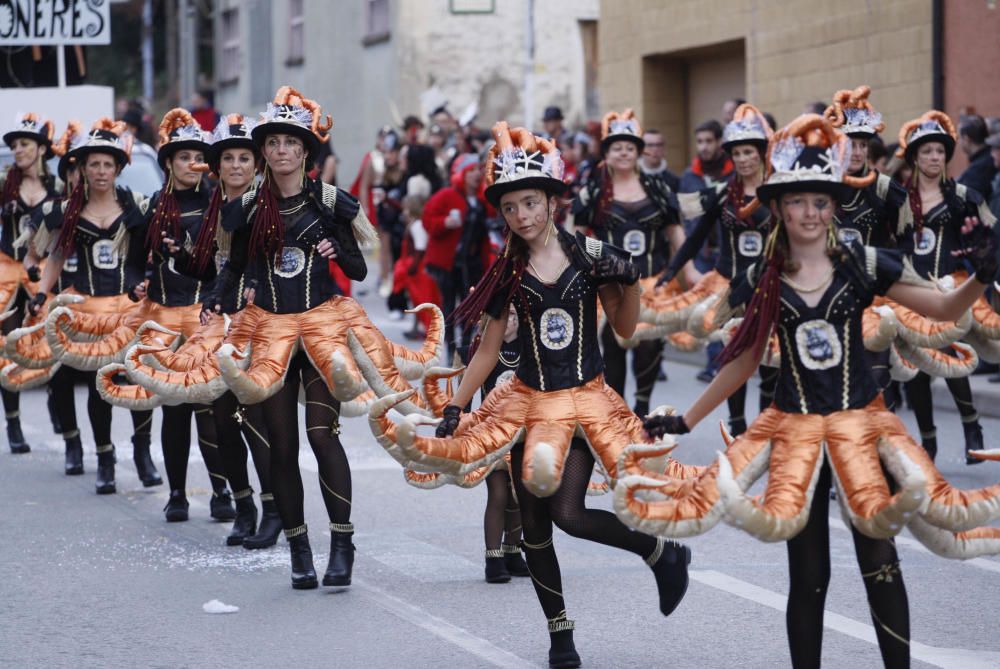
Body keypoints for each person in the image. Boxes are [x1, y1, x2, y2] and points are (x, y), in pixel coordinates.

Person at [633, 113, 1000, 669]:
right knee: (808, 577)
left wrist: (980, 274)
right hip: (795, 432)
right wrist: (686, 421)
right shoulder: (765, 276)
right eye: (799, 202)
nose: (810, 213)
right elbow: (745, 359)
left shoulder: (865, 264)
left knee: (881, 562)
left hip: (862, 428)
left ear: (833, 205)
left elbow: (944, 308)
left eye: (821, 202)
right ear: (779, 206)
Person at [369, 122, 691, 669]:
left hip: (586, 400)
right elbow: (490, 349)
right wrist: (455, 405)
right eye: (511, 206)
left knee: (569, 513)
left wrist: (632, 281)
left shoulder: (590, 257)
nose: (521, 215)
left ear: (552, 201)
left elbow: (626, 329)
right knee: (534, 528)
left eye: (530, 202)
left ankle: (659, 551)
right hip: (527, 405)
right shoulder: (507, 270)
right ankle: (560, 636)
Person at [196, 86, 377, 588]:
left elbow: (360, 269)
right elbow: (232, 268)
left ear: (304, 151)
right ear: (265, 152)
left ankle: (342, 544)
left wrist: (334, 252)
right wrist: (217, 297)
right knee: (281, 445)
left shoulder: (329, 204)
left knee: (323, 437)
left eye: (289, 143)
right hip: (272, 333)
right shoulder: (249, 208)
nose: (280, 151)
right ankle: (299, 547)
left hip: (320, 328)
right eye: (272, 143)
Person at [26, 118, 159, 493]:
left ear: (118, 168)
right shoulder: (65, 211)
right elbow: (50, 255)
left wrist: (150, 280)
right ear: (82, 168)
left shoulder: (136, 206)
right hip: (85, 310)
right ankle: (104, 459)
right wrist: (41, 293)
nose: (101, 171)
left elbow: (150, 254)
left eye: (108, 164)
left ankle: (143, 453)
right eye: (94, 164)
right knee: (98, 385)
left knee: (139, 381)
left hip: (129, 309)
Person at [135, 109, 235, 521]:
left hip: (202, 318)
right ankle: (176, 494)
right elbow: (133, 259)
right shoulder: (152, 206)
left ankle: (220, 492)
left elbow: (223, 266)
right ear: (169, 163)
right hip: (161, 317)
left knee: (208, 408)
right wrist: (137, 281)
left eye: (199, 156)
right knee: (173, 409)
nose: (193, 164)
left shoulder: (219, 206)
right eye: (183, 157)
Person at [653, 104, 777, 435]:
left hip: (768, 287)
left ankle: (765, 428)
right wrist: (672, 269)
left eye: (749, 151)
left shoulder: (778, 191)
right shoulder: (722, 191)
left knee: (769, 360)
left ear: (761, 152)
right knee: (730, 354)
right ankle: (737, 428)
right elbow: (692, 234)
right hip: (728, 287)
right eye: (737, 153)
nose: (743, 159)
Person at [894, 110, 998, 464]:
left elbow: (987, 238)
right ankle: (929, 440)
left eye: (940, 151)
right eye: (927, 151)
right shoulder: (898, 201)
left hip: (948, 288)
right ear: (914, 157)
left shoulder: (962, 196)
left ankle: (971, 425)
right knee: (915, 366)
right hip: (910, 290)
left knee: (951, 354)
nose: (934, 157)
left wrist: (979, 251)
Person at [573, 109, 690, 416]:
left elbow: (678, 237)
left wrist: (692, 276)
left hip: (653, 281)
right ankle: (618, 413)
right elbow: (574, 237)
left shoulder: (659, 189)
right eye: (616, 147)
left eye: (629, 147)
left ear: (638, 152)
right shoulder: (594, 191)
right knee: (612, 348)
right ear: (607, 154)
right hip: (609, 285)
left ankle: (641, 408)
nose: (623, 152)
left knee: (650, 346)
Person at [823, 86, 907, 409]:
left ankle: (879, 448)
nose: (856, 152)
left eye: (861, 145)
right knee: (833, 381)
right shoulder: (822, 186)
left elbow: (910, 233)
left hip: (872, 293)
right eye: (849, 144)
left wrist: (899, 268)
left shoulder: (883, 188)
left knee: (876, 379)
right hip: (827, 294)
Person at [0, 113, 60, 453]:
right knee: (9, 344)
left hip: (45, 273)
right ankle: (13, 423)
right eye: (13, 145)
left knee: (50, 339)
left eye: (24, 143)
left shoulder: (59, 188)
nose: (17, 150)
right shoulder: (4, 184)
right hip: (7, 268)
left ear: (40, 148)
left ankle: (56, 398)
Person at [678, 119, 734, 382]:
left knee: (726, 307)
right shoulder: (690, 177)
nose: (704, 147)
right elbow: (687, 219)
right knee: (708, 308)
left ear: (720, 142)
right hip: (701, 251)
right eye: (700, 141)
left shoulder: (733, 173)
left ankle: (725, 360)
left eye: (709, 141)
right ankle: (715, 361)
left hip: (728, 250)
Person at [480, 303, 528, 583]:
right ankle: (493, 557)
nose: (508, 320)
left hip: (523, 432)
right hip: (492, 433)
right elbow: (467, 389)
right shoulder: (481, 348)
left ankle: (512, 551)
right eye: (503, 314)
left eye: (513, 314)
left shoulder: (530, 349)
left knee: (521, 494)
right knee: (499, 493)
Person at [423, 153, 488, 357]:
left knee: (470, 306)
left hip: (472, 263)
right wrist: (444, 223)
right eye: (472, 171)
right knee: (449, 306)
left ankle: (466, 348)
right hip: (450, 263)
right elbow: (427, 219)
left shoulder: (480, 200)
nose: (477, 174)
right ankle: (451, 348)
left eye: (478, 170)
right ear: (462, 174)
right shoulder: (446, 196)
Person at [957, 114, 997, 202]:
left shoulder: (976, 171)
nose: (958, 141)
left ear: (967, 139)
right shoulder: (991, 158)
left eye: (959, 138)